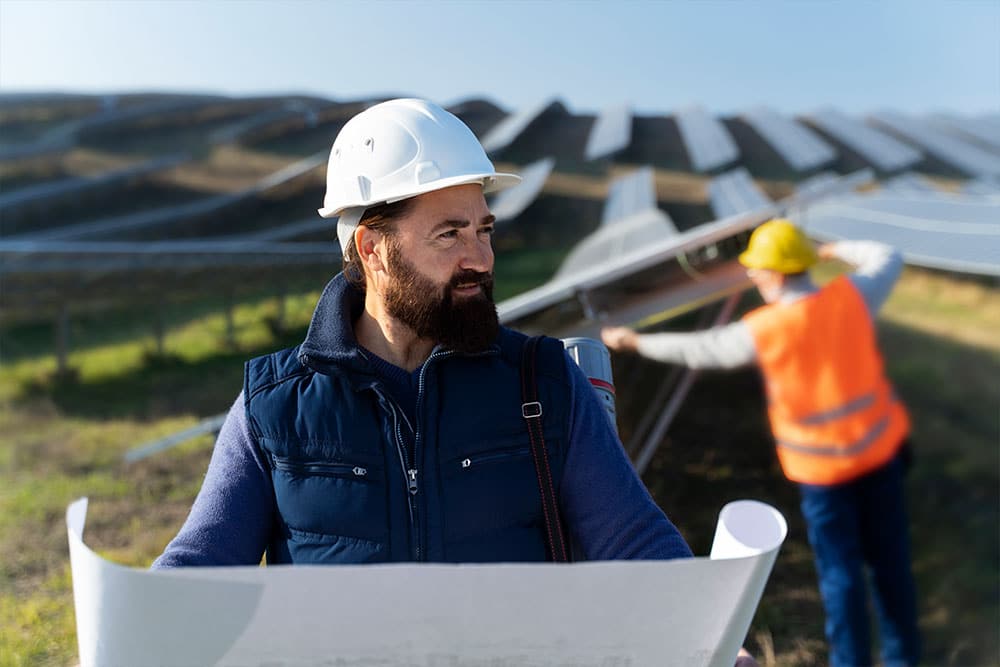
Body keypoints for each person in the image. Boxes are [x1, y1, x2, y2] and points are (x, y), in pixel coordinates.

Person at [602, 219, 921, 667]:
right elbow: (888, 256)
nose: (752, 276)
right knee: (890, 566)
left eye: (757, 269)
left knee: (841, 576)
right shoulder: (852, 298)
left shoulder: (765, 329)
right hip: (878, 457)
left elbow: (701, 349)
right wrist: (831, 249)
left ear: (773, 273)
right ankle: (904, 659)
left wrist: (633, 340)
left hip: (823, 476)